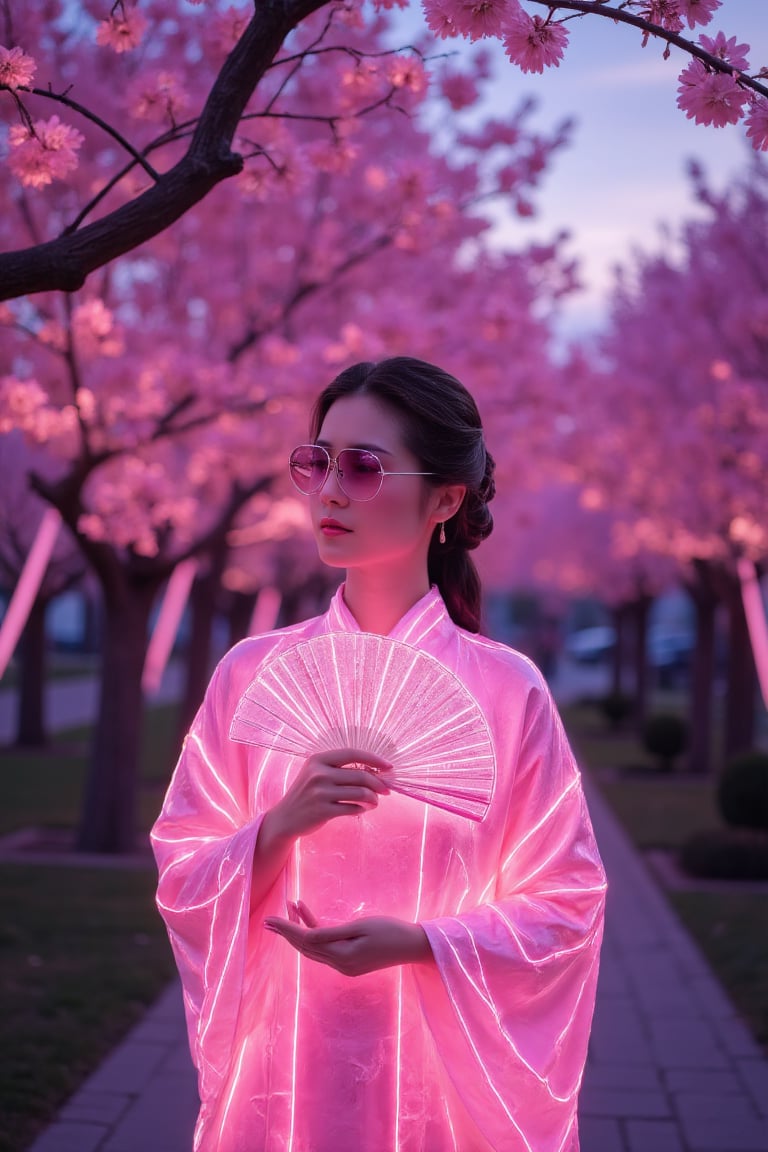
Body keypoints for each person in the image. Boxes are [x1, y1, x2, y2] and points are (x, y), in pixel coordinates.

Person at [151, 356, 607, 1152]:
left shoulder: (508, 691)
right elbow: (182, 866)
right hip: (282, 1075)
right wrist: (276, 827)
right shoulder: (251, 675)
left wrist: (428, 943)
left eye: (363, 466)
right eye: (317, 460)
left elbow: (568, 902)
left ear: (444, 498)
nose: (329, 490)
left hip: (443, 1081)